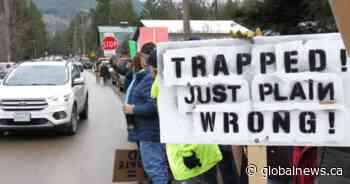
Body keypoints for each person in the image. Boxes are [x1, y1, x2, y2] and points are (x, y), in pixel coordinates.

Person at [148, 48, 222, 184]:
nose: (149, 70)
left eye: (150, 67)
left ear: (156, 68)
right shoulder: (182, 79)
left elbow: (182, 119)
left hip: (192, 156)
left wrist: (187, 151)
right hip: (202, 150)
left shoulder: (168, 87)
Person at [123, 42, 169, 184]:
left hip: (150, 132)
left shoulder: (152, 77)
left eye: (143, 56)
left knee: (155, 168)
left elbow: (154, 106)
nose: (142, 59)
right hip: (147, 131)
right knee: (154, 167)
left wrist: (133, 109)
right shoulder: (147, 75)